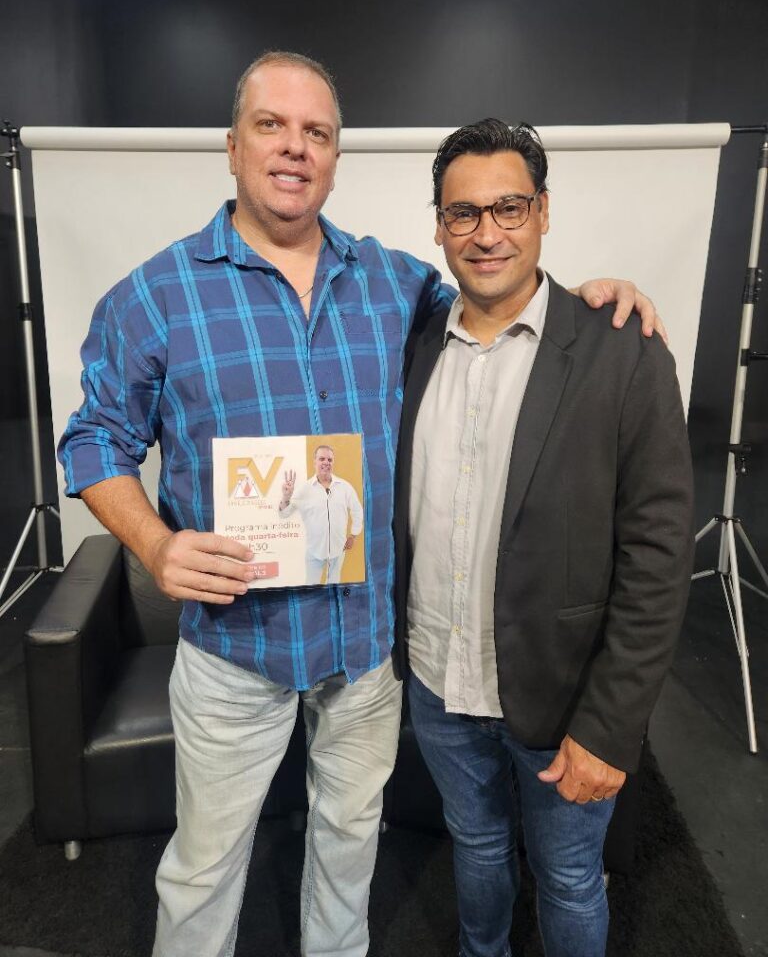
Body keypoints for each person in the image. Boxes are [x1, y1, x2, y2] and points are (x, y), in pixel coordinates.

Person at [58, 50, 662, 957]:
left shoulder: (395, 285)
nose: (294, 147)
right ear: (232, 146)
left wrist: (589, 302)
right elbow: (93, 439)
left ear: (336, 158)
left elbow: (499, 300)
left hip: (364, 653)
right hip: (235, 651)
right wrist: (154, 545)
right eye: (271, 125)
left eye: (317, 132)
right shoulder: (155, 295)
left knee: (349, 852)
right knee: (204, 869)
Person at [393, 118, 695, 957]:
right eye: (463, 213)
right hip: (438, 681)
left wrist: (612, 725)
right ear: (439, 226)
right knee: (477, 846)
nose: (486, 233)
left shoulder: (621, 351)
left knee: (567, 878)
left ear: (544, 211)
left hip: (564, 699)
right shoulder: (413, 345)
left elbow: (659, 556)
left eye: (509, 208)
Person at [279, 444, 364, 584]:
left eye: (330, 460)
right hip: (314, 552)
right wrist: (286, 496)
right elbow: (284, 514)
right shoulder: (304, 489)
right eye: (322, 459)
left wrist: (353, 535)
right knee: (311, 586)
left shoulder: (345, 487)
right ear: (315, 461)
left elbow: (357, 510)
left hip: (338, 550)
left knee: (334, 585)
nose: (326, 462)